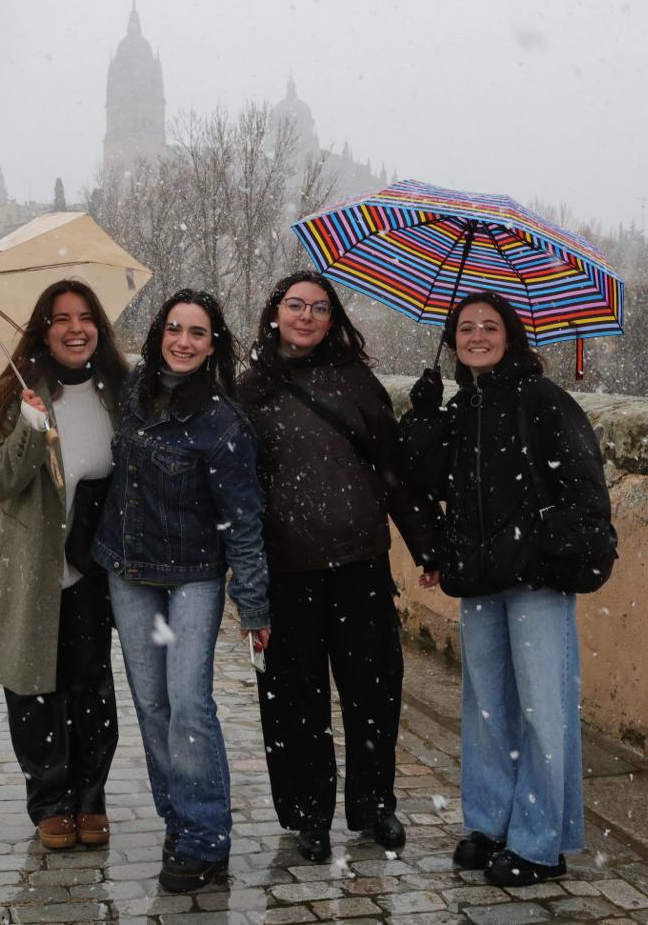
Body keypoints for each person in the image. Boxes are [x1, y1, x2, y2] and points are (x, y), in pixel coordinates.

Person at [398, 290, 610, 886]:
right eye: (466, 328)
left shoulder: (543, 400)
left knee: (544, 711)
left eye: (490, 327)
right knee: (487, 708)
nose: (477, 336)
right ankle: (490, 823)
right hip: (481, 578)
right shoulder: (465, 405)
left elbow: (585, 490)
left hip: (535, 578)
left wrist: (541, 546)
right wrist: (424, 415)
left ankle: (541, 843)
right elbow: (429, 478)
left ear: (510, 337)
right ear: (453, 340)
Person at [236, 271, 442, 863]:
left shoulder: (357, 382)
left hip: (358, 564)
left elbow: (392, 470)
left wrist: (425, 543)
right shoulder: (251, 391)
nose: (306, 316)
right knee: (293, 697)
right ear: (275, 313)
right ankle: (308, 815)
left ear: (333, 319)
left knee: (373, 690)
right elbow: (235, 488)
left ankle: (375, 805)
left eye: (319, 308)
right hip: (287, 569)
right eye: (295, 305)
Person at [90, 289, 270, 893]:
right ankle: (178, 819)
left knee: (189, 700)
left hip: (193, 576)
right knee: (152, 703)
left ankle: (205, 836)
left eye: (197, 332)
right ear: (159, 333)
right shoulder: (131, 394)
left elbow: (243, 520)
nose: (184, 341)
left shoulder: (222, 423)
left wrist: (252, 603)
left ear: (213, 342)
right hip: (130, 572)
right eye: (175, 328)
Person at [0, 280, 129, 852]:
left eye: (86, 317)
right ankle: (50, 801)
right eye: (61, 319)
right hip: (29, 571)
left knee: (92, 690)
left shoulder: (122, 394)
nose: (75, 329)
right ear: (43, 330)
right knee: (34, 689)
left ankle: (91, 797)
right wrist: (29, 433)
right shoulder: (13, 397)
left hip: (92, 569)